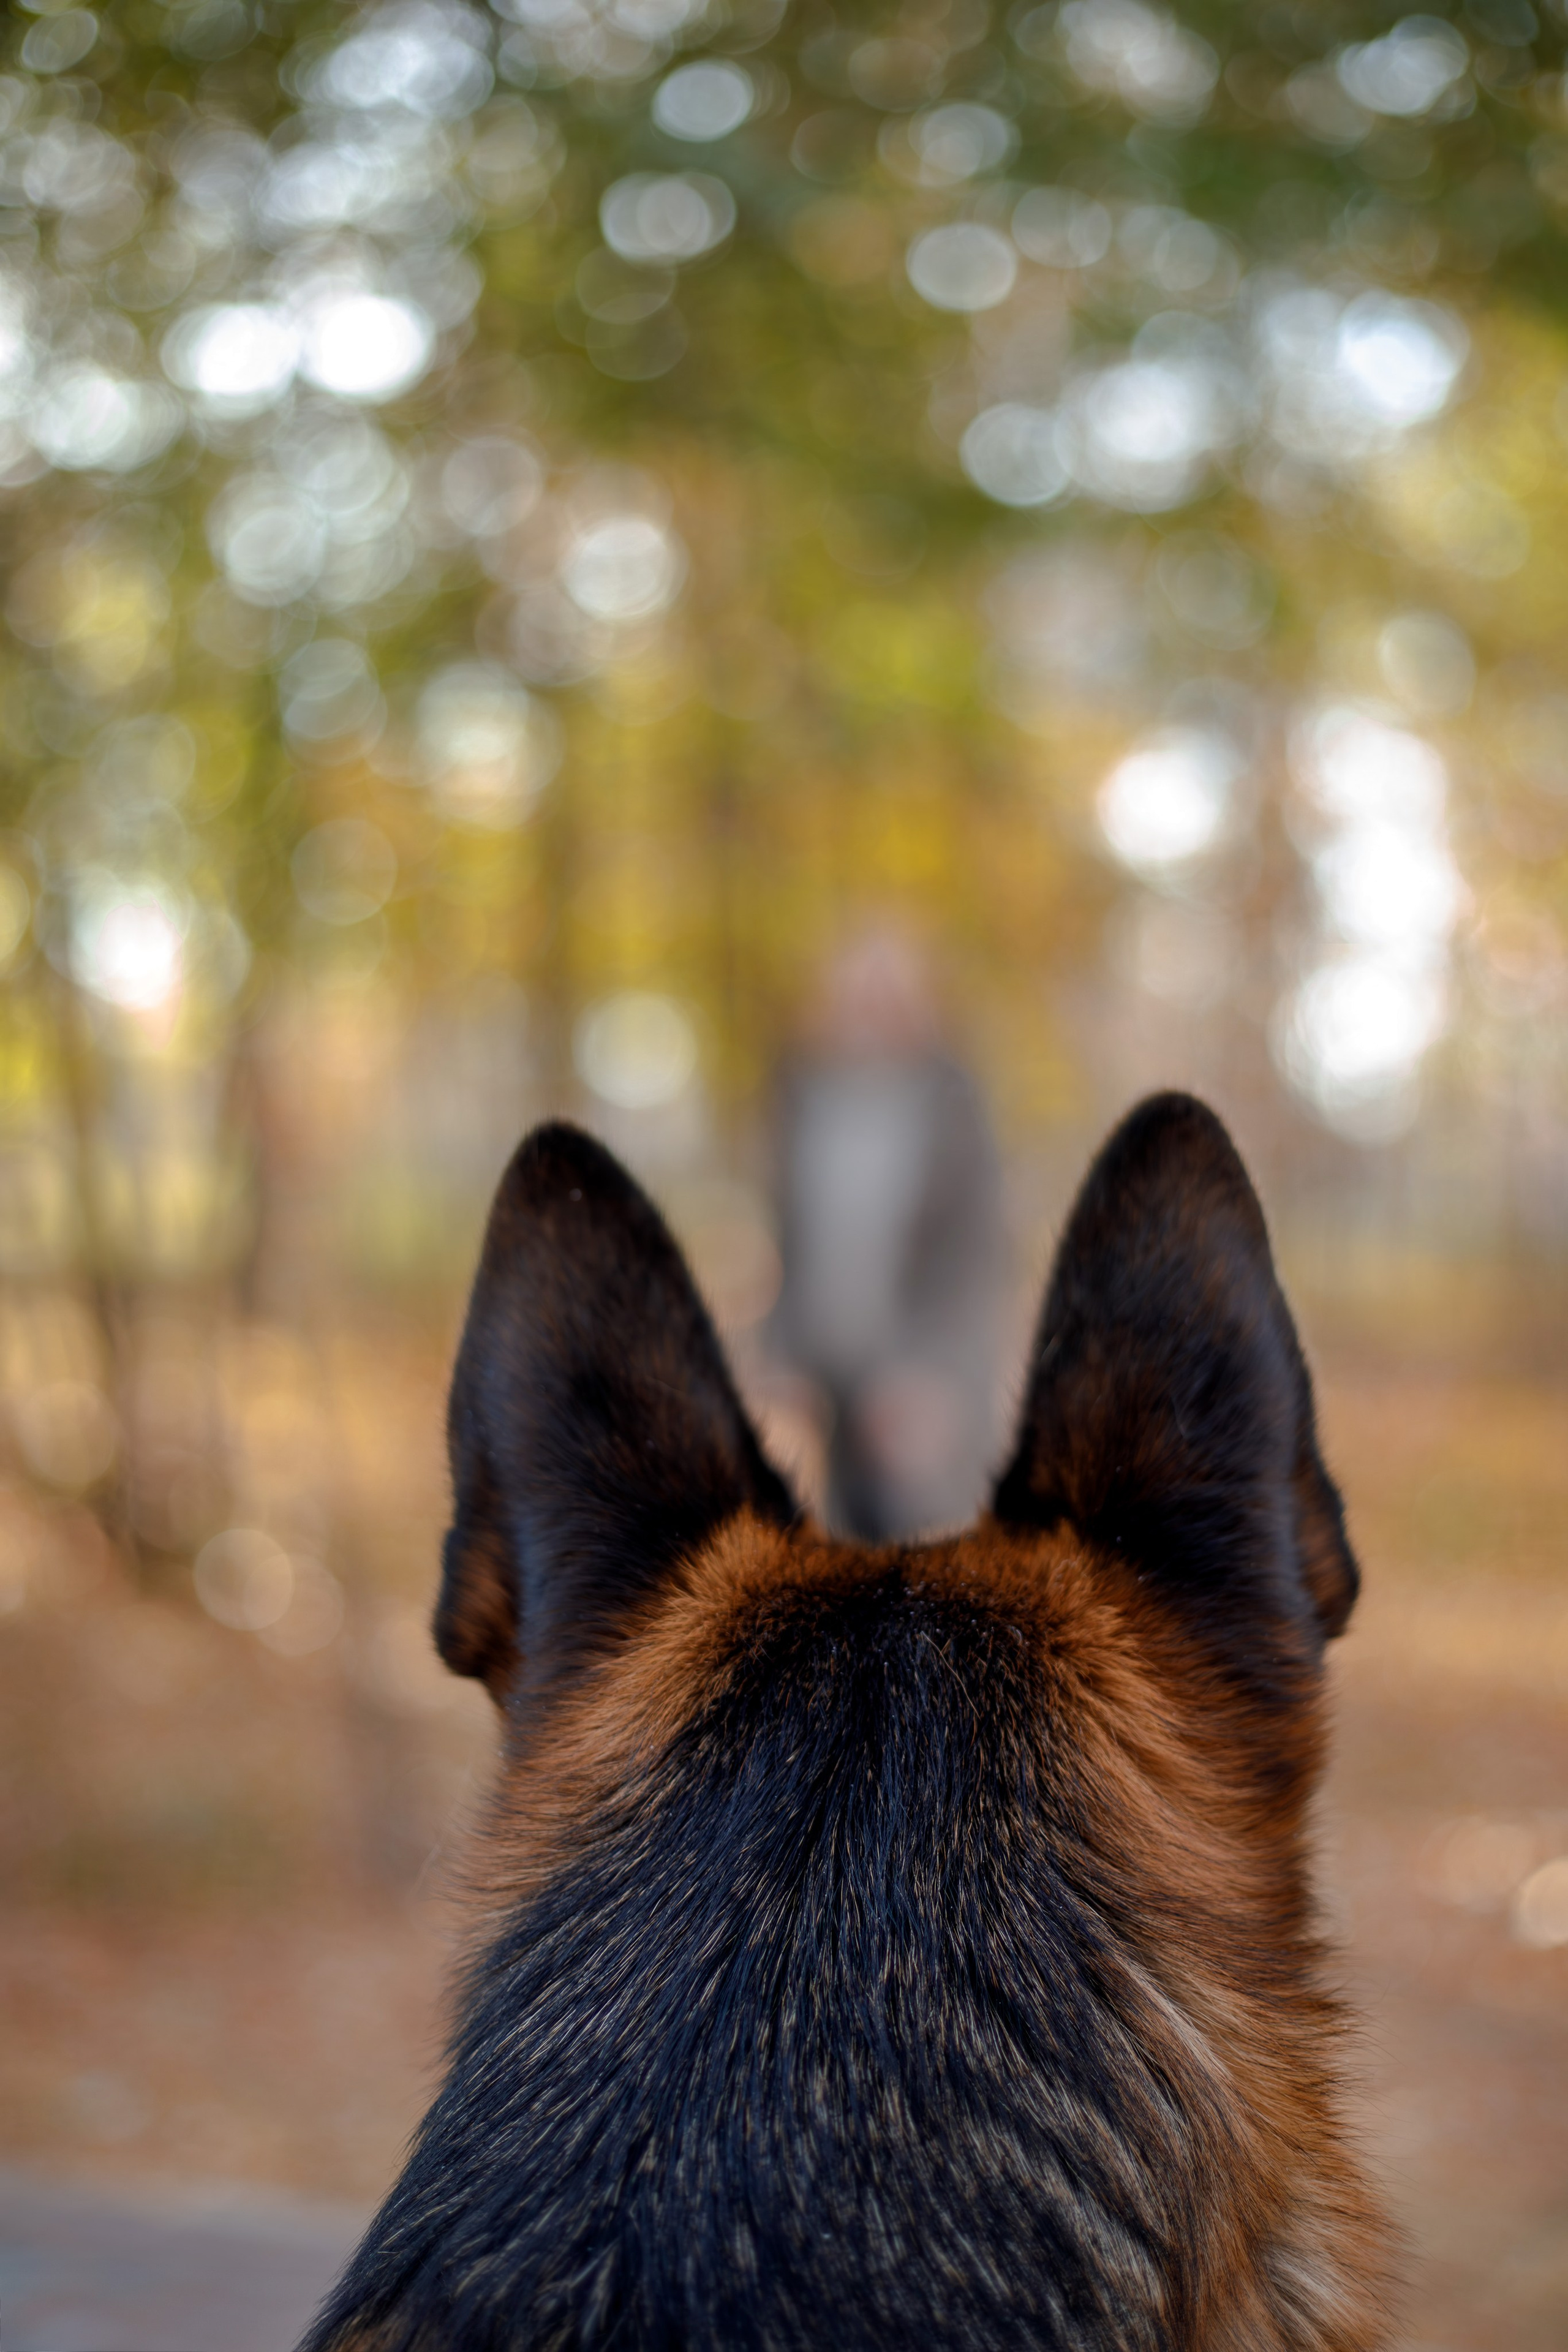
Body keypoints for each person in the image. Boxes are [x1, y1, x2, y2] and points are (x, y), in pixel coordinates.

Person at [767, 927, 1003, 1542]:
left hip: (918, 1383)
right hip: (824, 1377)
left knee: (919, 1545)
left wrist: (932, 1372)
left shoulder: (955, 1106)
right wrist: (780, 1358)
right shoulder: (801, 1098)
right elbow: (788, 1250)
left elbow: (975, 1255)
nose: (870, 1006)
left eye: (887, 990)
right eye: (858, 989)